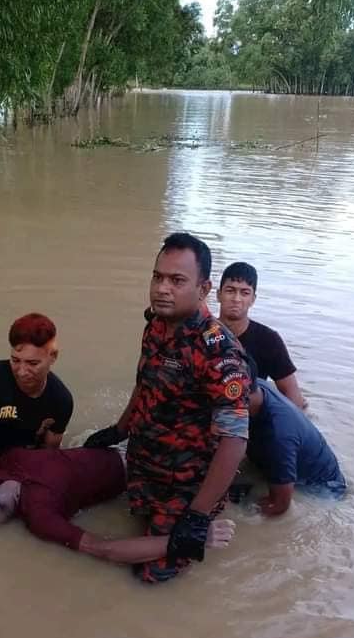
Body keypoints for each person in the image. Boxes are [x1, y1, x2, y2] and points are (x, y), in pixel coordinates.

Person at [84, 232, 251, 584]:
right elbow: (145, 382)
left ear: (204, 289)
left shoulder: (219, 351)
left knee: (148, 575)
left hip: (185, 485)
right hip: (145, 465)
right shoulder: (156, 325)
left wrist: (198, 516)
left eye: (177, 281)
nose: (162, 288)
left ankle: (210, 525)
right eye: (158, 277)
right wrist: (119, 429)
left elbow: (234, 440)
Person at [0, 446, 236, 564]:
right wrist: (190, 539)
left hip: (133, 443)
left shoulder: (9, 461)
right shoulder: (39, 516)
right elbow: (102, 549)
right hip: (148, 475)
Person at [0, 313, 73, 489]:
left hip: (25, 452)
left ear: (53, 356)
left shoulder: (61, 401)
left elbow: (49, 455)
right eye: (15, 360)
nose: (22, 372)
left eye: (32, 363)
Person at [248, 378, 346, 516]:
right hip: (293, 464)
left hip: (319, 491)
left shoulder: (277, 436)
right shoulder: (254, 385)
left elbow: (278, 506)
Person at [217, 262, 306, 409]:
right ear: (219, 295)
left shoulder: (268, 340)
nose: (236, 299)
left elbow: (294, 399)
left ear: (253, 299)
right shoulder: (202, 333)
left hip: (251, 412)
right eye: (230, 291)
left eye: (244, 293)